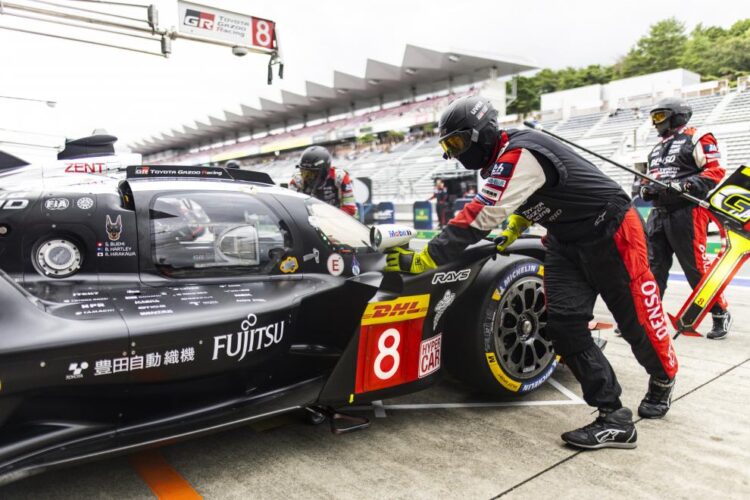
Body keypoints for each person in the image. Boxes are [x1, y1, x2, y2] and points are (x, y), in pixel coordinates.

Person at [385, 96, 679, 450]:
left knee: (637, 321)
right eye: (449, 146)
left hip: (612, 231)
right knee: (563, 325)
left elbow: (484, 211)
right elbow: (538, 193)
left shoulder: (521, 152)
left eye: (458, 143)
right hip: (565, 242)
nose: (456, 153)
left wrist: (430, 256)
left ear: (482, 132)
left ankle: (663, 378)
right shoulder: (506, 157)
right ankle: (613, 417)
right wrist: (518, 223)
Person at [642, 97, 730, 340]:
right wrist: (644, 189)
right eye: (653, 117)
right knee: (652, 269)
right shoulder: (656, 148)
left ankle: (719, 313)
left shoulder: (698, 136)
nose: (655, 122)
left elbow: (716, 171)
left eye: (659, 116)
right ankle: (649, 318)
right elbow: (647, 177)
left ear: (677, 115)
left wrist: (685, 185)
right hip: (658, 213)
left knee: (695, 268)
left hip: (687, 211)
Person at [289, 146, 357, 217]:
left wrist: (328, 219)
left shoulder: (340, 177)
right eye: (304, 172)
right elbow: (292, 208)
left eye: (311, 174)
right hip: (309, 219)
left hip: (336, 220)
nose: (307, 177)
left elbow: (350, 208)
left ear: (324, 171)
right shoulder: (296, 181)